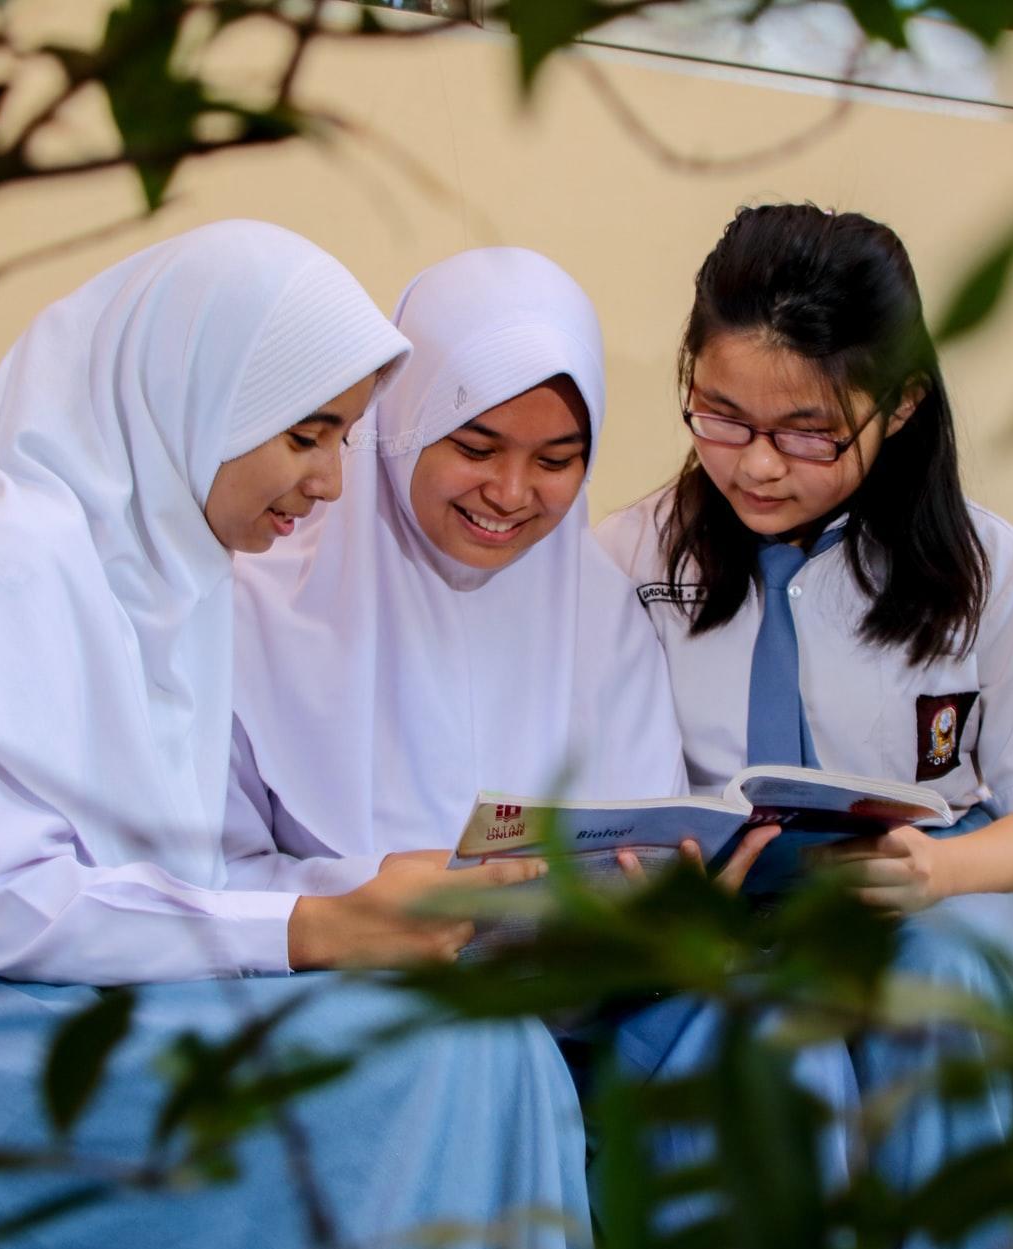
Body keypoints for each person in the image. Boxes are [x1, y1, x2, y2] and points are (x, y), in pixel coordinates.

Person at [0, 221, 586, 1249]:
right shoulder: (9, 553)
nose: (327, 483)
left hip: (70, 986)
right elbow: (18, 906)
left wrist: (392, 889)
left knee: (502, 1046)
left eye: (344, 441)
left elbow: (172, 869)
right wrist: (320, 922)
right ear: (202, 393)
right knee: (430, 1061)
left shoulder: (170, 562)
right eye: (305, 433)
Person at [596, 204, 1013, 1249]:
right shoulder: (627, 558)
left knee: (932, 975)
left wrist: (939, 868)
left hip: (963, 906)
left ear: (900, 405)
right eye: (720, 416)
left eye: (806, 431)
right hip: (739, 924)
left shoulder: (983, 567)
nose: (755, 465)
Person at [230, 242, 705, 946]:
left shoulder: (601, 610)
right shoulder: (262, 601)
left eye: (555, 460)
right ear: (399, 426)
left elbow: (652, 834)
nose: (511, 494)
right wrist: (360, 897)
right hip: (348, 996)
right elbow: (209, 878)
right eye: (476, 450)